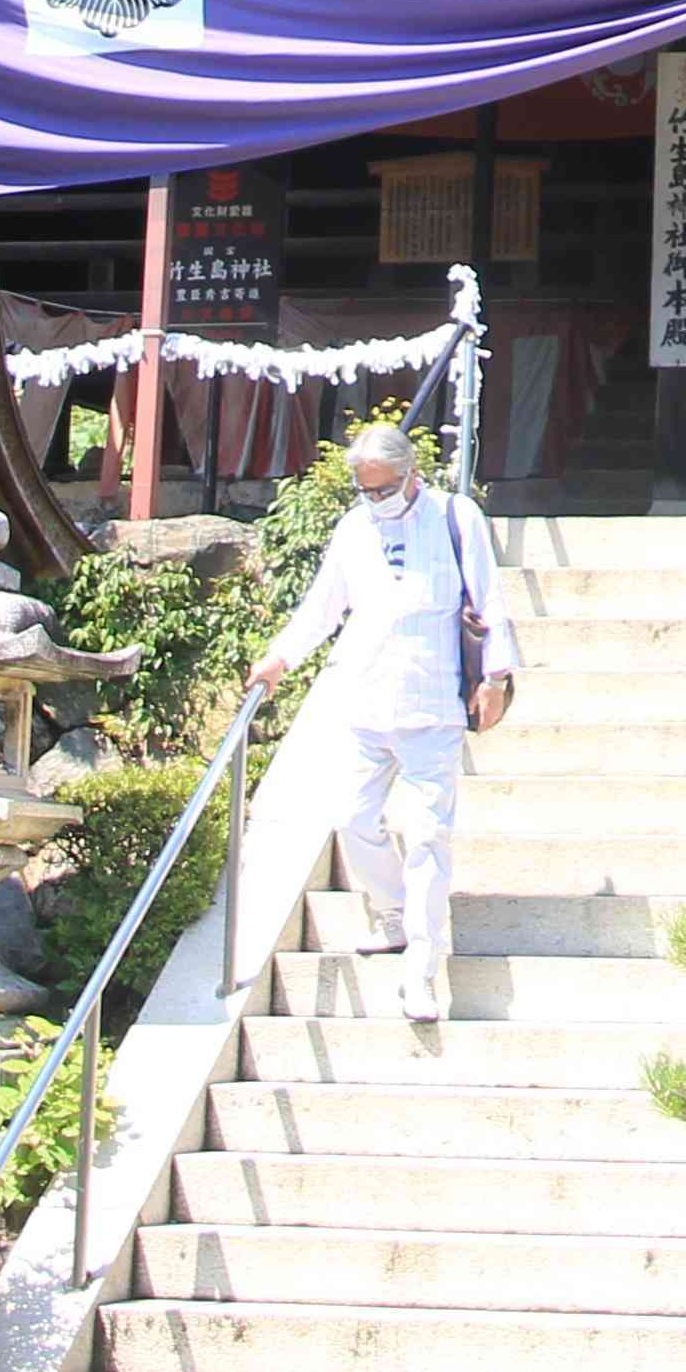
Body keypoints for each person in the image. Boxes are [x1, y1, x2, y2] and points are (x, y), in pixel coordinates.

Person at [246, 421, 518, 1024]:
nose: (374, 500)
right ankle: (391, 912)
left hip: (432, 702)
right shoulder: (353, 528)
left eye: (382, 489)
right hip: (366, 697)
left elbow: (488, 598)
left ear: (410, 475)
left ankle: (421, 968)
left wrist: (496, 677)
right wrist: (280, 657)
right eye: (364, 490)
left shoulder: (456, 517)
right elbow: (323, 606)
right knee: (353, 818)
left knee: (427, 835)